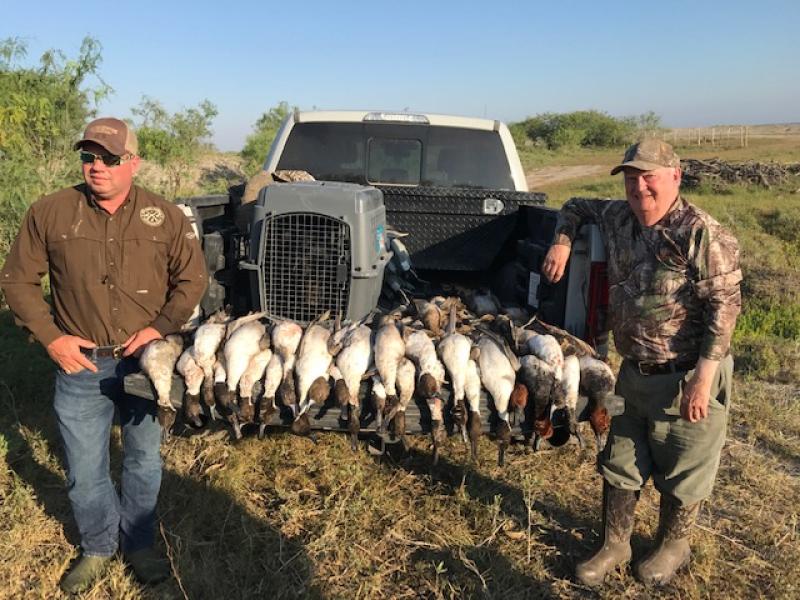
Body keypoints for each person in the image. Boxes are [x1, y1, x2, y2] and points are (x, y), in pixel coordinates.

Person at [0, 118, 208, 593]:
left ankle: (138, 544)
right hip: (81, 361)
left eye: (109, 158)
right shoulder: (50, 212)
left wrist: (158, 328)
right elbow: (16, 280)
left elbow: (192, 280)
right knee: (84, 466)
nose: (97, 167)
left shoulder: (165, 216)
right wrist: (52, 337)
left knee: (143, 459)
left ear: (133, 162)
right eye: (89, 156)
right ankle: (97, 546)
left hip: (145, 360)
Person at [542, 139, 741, 586]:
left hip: (688, 374)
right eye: (631, 178)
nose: (639, 187)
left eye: (649, 176)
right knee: (620, 459)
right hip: (632, 372)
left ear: (676, 176)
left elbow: (725, 310)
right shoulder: (618, 217)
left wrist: (703, 379)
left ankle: (673, 545)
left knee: (684, 467)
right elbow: (574, 205)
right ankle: (615, 543)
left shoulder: (702, 234)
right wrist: (560, 242)